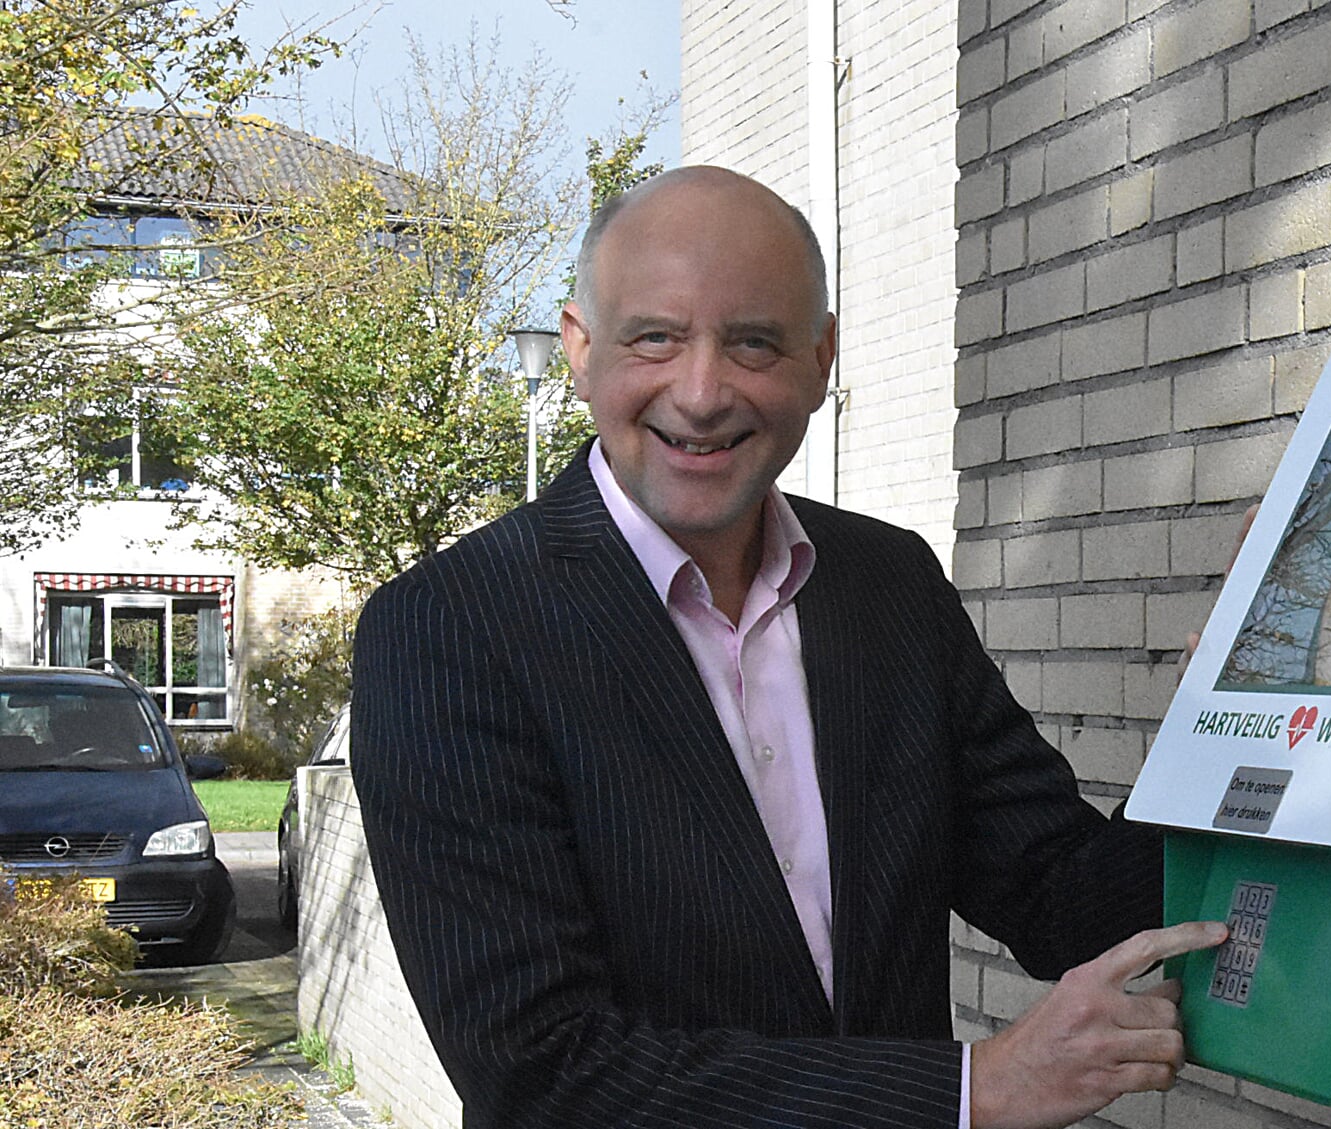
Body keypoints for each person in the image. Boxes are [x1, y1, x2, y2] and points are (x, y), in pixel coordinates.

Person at [351, 165, 1226, 1129]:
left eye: (753, 343)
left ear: (820, 359)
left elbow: (1066, 899)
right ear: (580, 349)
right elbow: (544, 1072)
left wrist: (1225, 736)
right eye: (656, 337)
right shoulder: (449, 628)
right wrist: (978, 1088)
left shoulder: (888, 585)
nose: (701, 393)